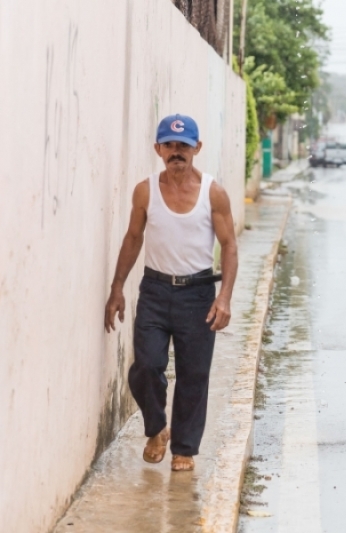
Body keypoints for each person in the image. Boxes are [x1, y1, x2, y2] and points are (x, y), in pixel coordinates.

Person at [104, 114, 238, 471]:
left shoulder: (214, 193)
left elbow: (229, 246)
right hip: (155, 291)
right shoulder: (145, 190)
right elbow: (133, 238)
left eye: (183, 145)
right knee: (146, 366)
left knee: (194, 374)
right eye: (169, 145)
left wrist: (223, 297)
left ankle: (184, 449)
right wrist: (117, 287)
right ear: (158, 149)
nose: (176, 152)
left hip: (197, 295)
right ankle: (157, 428)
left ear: (197, 147)